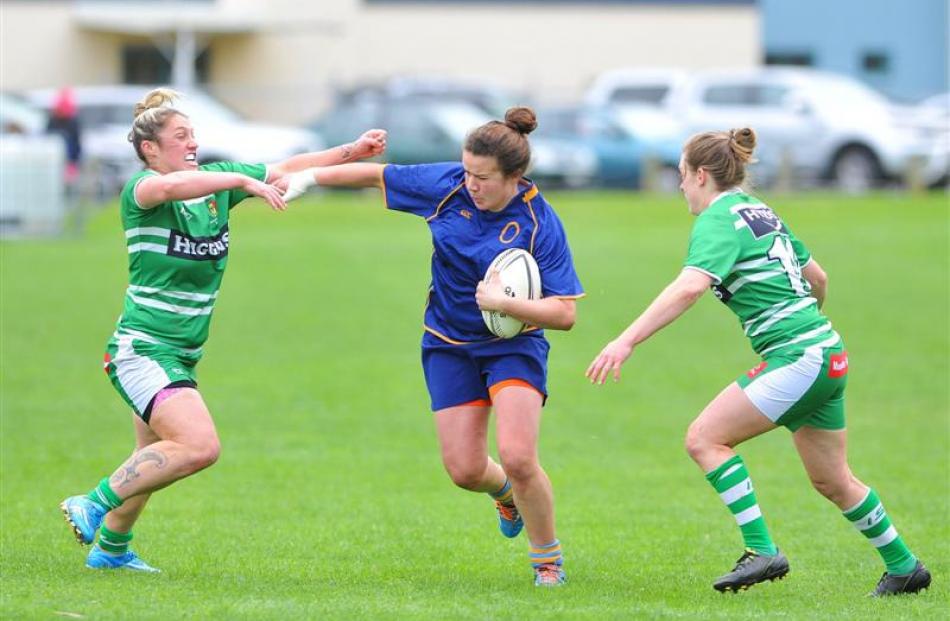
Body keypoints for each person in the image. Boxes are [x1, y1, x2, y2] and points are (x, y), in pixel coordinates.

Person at [586, 128, 930, 597]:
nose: (681, 187)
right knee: (833, 480)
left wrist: (624, 341)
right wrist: (805, 324)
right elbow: (819, 278)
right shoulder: (760, 210)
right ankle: (904, 567)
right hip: (826, 352)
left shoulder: (716, 218)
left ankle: (761, 550)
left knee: (705, 438)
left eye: (683, 177)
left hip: (801, 357)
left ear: (701, 175)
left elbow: (690, 287)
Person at [60, 88, 387, 572]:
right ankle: (91, 502)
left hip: (182, 351)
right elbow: (173, 189)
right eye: (180, 136)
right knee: (198, 446)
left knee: (151, 453)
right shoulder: (144, 189)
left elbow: (285, 167)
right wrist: (244, 183)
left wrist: (351, 151)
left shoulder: (213, 183)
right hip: (142, 350)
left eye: (194, 134)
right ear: (150, 148)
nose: (192, 143)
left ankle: (111, 550)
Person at [281, 107, 584, 586]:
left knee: (519, 456)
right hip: (447, 343)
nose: (471, 184)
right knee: (464, 470)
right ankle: (505, 494)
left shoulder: (539, 222)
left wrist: (509, 304)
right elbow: (375, 176)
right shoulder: (448, 186)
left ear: (515, 177)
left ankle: (547, 561)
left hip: (513, 348)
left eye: (482, 177)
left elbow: (565, 313)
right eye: (466, 171)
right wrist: (312, 178)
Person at [46, 87, 82, 185]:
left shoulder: (72, 122)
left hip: (69, 160)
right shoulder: (52, 121)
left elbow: (77, 144)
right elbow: (47, 140)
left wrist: (73, 162)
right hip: (53, 160)